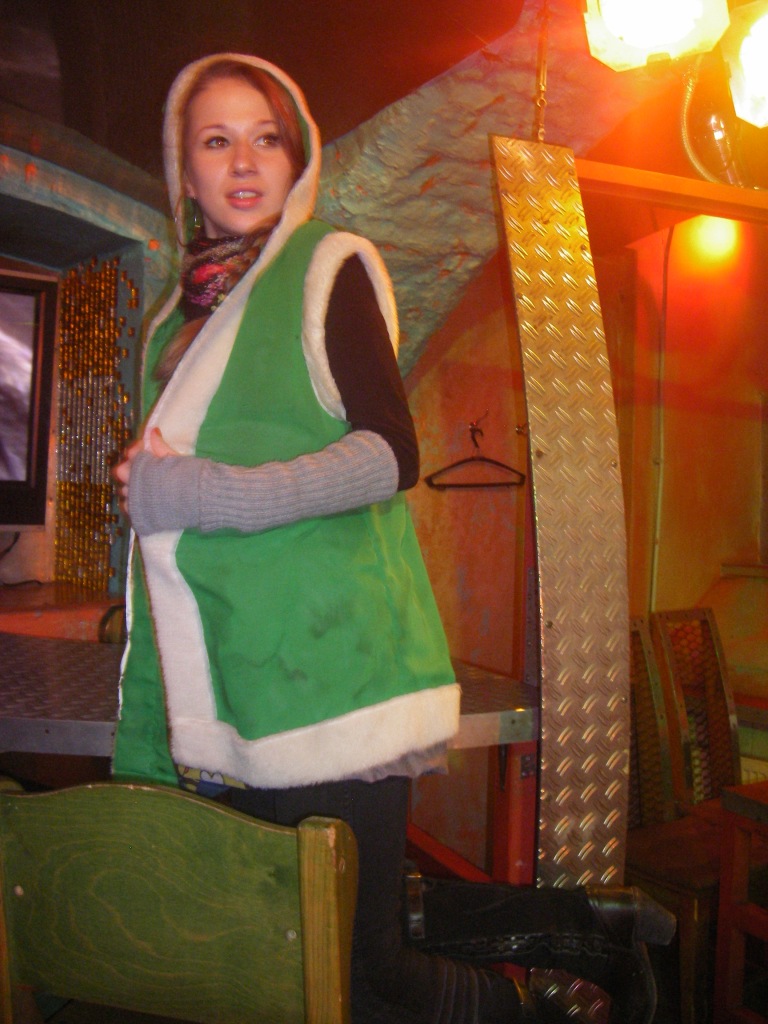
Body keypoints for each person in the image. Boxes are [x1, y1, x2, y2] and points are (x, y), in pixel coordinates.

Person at [112, 54, 672, 1024]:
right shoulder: (178, 317)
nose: (242, 161)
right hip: (239, 674)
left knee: (356, 972)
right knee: (293, 939)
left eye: (266, 137)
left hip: (333, 668)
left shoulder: (324, 267)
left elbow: (389, 453)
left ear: (298, 158)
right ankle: (583, 926)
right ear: (184, 170)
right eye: (216, 140)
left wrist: (203, 491)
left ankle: (537, 1010)